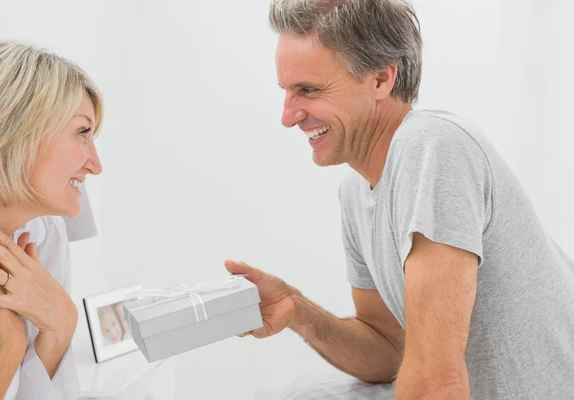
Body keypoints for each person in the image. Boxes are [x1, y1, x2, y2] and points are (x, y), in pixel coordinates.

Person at [225, 0, 574, 399]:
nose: (288, 116)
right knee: (305, 393)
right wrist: (297, 310)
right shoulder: (356, 192)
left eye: (309, 90)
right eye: (287, 91)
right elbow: (388, 351)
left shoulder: (433, 148)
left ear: (380, 79)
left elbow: (435, 384)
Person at [0, 41, 103, 399]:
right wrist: (11, 344)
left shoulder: (44, 232)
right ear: (9, 128)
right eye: (82, 132)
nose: (95, 164)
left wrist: (60, 327)